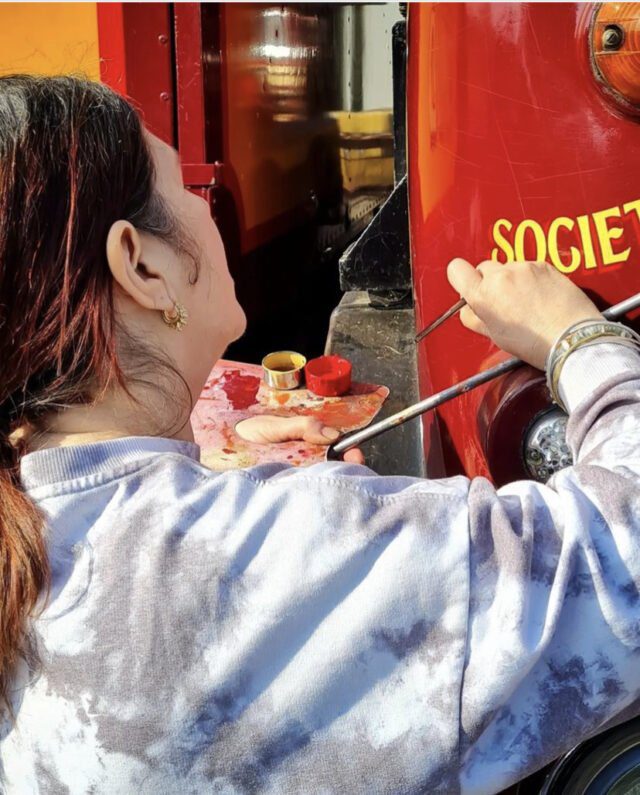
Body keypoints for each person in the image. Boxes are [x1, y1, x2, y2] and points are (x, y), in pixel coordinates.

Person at [0, 75, 639, 795]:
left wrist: (209, 470)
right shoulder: (286, 548)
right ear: (141, 265)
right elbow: (625, 563)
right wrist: (578, 338)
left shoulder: (30, 513)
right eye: (180, 185)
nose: (201, 206)